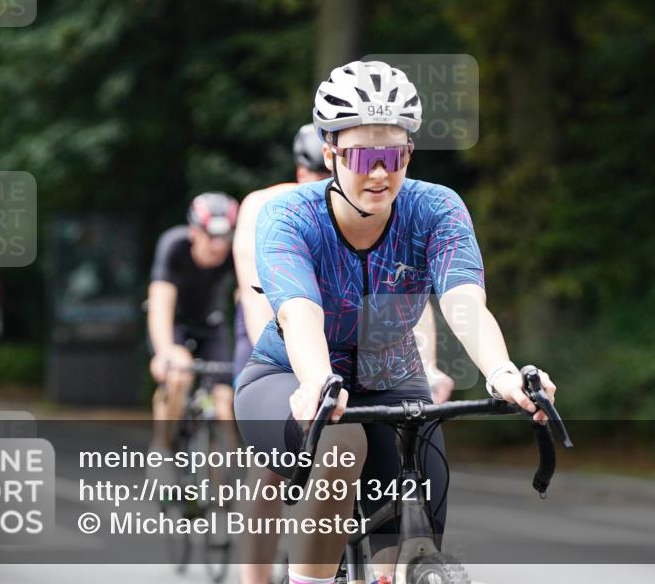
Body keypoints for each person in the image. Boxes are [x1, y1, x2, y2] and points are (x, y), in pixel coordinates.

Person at [234, 60, 557, 584]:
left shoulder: (435, 209)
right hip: (289, 376)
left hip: (392, 380)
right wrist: (318, 382)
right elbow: (299, 313)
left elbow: (463, 304)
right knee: (344, 443)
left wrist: (502, 373)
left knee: (411, 546)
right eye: (365, 155)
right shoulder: (289, 216)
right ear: (331, 151)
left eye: (396, 154)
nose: (381, 173)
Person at [231, 124, 455, 584]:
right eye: (316, 170)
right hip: (282, 338)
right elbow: (267, 301)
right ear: (314, 166)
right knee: (270, 472)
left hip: (370, 356)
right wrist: (304, 369)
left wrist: (428, 363)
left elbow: (410, 301)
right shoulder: (272, 209)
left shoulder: (392, 213)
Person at [147, 192, 239, 453]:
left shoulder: (234, 252)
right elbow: (160, 303)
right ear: (194, 231)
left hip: (211, 324)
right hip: (174, 324)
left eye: (225, 237)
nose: (218, 246)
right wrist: (164, 352)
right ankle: (162, 447)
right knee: (178, 375)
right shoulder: (173, 245)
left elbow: (247, 299)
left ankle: (227, 485)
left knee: (223, 403)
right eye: (211, 237)